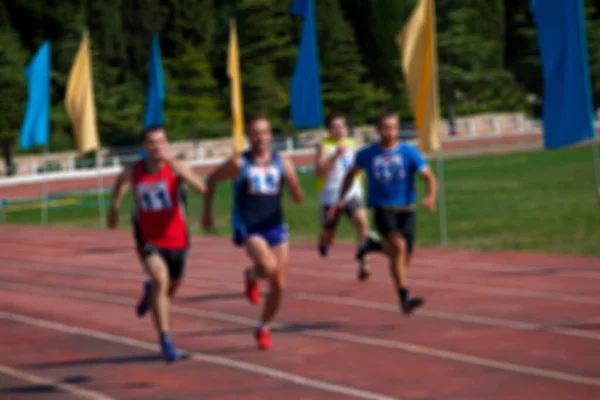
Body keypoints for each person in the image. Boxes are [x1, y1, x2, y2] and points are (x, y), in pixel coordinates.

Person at [202, 115, 303, 350]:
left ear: (270, 136)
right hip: (249, 226)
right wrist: (207, 212)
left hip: (276, 225)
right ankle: (254, 274)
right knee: (269, 268)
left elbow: (297, 197)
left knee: (279, 285)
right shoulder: (239, 163)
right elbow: (212, 180)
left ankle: (263, 326)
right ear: (249, 136)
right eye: (256, 133)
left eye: (265, 132)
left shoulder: (282, 162)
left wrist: (295, 189)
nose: (260, 138)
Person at [107, 125, 206, 362]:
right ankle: (166, 341)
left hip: (178, 239)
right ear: (144, 147)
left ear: (167, 144)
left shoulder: (177, 167)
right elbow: (120, 181)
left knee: (167, 292)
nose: (157, 147)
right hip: (148, 238)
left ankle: (150, 292)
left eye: (161, 141)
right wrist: (115, 207)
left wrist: (176, 167)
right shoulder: (135, 170)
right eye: (151, 142)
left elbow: (202, 188)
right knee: (160, 278)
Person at [328, 110, 438, 315]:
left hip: (407, 210)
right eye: (385, 127)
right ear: (378, 129)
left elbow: (429, 177)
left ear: (398, 129)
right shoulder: (367, 153)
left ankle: (372, 245)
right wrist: (341, 199)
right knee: (399, 247)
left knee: (403, 258)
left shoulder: (409, 152)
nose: (390, 131)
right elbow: (350, 175)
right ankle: (405, 298)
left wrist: (430, 196)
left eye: (393, 127)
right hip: (382, 209)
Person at [314, 112, 375, 281]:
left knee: (363, 224)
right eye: (335, 127)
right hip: (330, 197)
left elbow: (359, 165)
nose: (340, 130)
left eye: (342, 126)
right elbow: (319, 172)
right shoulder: (324, 146)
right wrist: (334, 156)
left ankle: (364, 263)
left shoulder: (353, 144)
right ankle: (323, 241)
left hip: (350, 194)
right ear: (329, 130)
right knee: (329, 234)